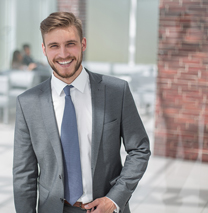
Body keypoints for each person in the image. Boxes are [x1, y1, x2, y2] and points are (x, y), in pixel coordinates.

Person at [13, 12, 151, 213]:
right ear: (44, 49)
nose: (63, 54)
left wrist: (114, 200)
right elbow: (24, 174)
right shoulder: (28, 103)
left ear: (83, 44)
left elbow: (140, 149)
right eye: (54, 46)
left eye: (70, 44)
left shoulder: (116, 91)